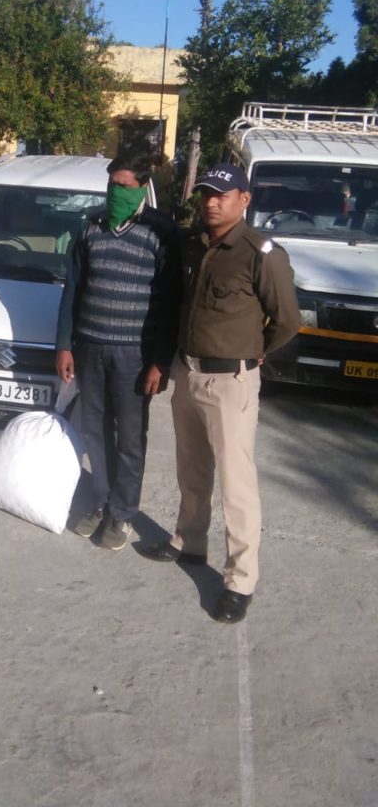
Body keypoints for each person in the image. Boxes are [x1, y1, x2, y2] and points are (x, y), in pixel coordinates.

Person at [138, 163, 300, 623]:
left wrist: (255, 351)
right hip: (188, 373)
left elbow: (288, 320)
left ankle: (240, 579)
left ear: (244, 200)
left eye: (222, 195)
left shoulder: (261, 254)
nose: (211, 202)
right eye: (206, 194)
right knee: (191, 469)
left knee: (236, 484)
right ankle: (189, 541)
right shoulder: (193, 244)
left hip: (231, 382)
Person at [55, 151, 181, 550]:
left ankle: (123, 513)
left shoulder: (161, 232)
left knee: (128, 437)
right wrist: (64, 344)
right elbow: (73, 290)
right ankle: (102, 500)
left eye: (124, 187)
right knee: (94, 431)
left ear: (143, 187)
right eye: (111, 185)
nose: (115, 193)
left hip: (135, 356)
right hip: (90, 348)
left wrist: (160, 361)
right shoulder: (90, 227)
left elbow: (171, 302)